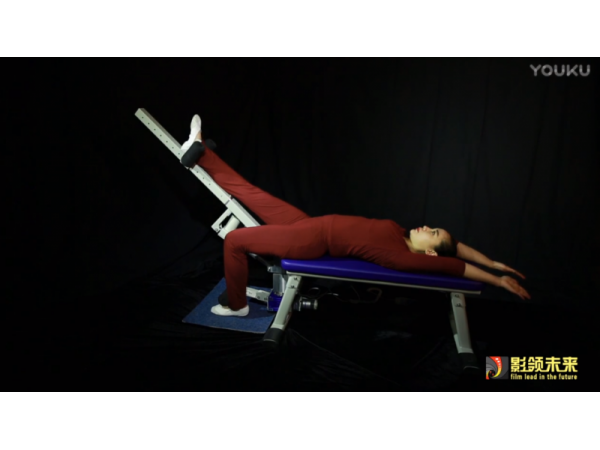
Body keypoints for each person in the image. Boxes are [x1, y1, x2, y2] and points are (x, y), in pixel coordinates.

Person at [180, 115, 531, 317]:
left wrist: (496, 281)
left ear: (429, 252)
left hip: (310, 240)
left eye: (433, 232)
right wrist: (494, 262)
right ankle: (203, 155)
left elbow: (454, 265)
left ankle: (238, 305)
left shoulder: (403, 257)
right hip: (310, 225)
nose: (427, 226)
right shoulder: (400, 232)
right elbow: (457, 249)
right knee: (253, 194)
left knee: (235, 240)